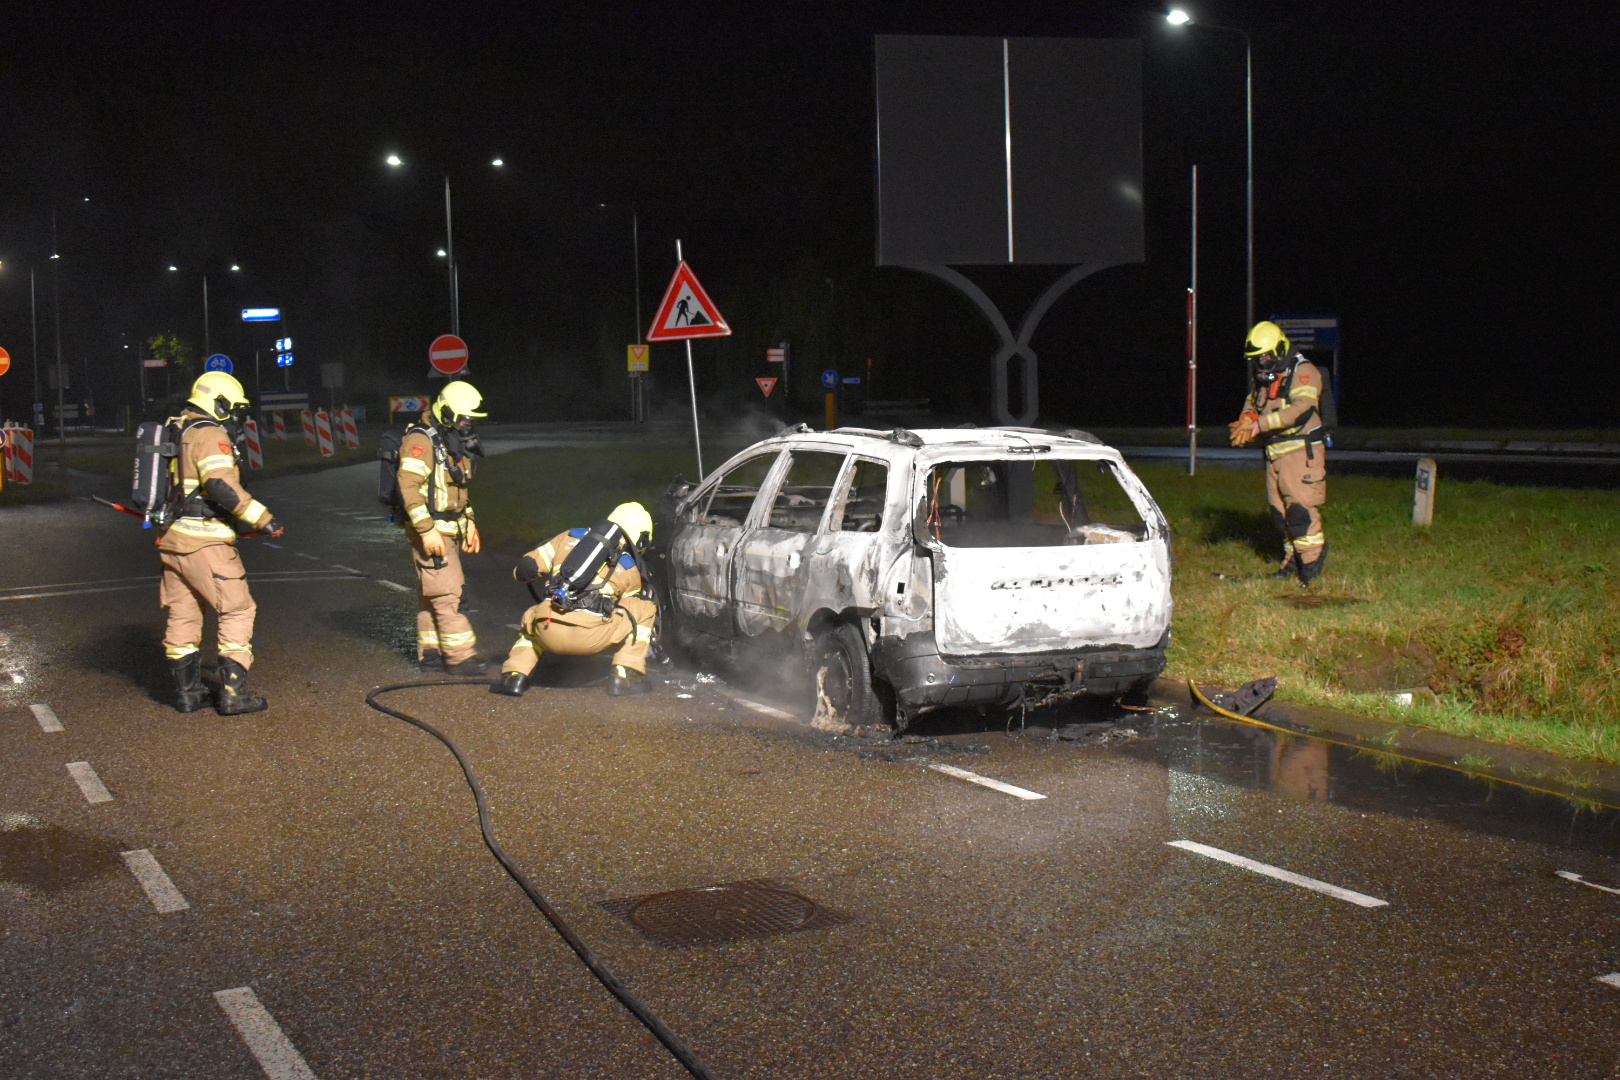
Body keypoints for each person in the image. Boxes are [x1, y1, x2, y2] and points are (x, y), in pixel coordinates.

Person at [160, 371, 284, 715]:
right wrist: (263, 518)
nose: (236, 415)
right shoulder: (211, 433)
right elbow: (219, 485)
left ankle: (188, 694)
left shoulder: (179, 429)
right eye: (234, 407)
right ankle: (233, 695)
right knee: (237, 609)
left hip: (174, 540)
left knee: (183, 615)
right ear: (219, 403)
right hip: (207, 541)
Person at [491, 502, 658, 698]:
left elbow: (523, 570)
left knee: (532, 617)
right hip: (591, 639)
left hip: (547, 628)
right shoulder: (629, 566)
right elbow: (628, 607)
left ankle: (515, 676)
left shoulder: (569, 537)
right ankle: (625, 676)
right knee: (644, 608)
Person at [397, 380, 488, 674]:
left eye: (470, 420)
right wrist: (426, 531)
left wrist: (469, 522)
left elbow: (457, 490)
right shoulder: (421, 441)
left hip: (449, 529)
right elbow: (408, 487)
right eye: (463, 418)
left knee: (432, 594)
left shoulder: (450, 440)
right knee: (449, 595)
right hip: (433, 532)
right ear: (446, 411)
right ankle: (460, 657)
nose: (467, 425)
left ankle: (431, 654)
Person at [1229, 321, 1329, 584]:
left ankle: (1310, 566)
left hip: (1300, 451)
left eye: (1265, 357)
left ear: (1279, 350)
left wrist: (1259, 425)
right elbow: (1253, 400)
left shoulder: (1304, 372)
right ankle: (1291, 564)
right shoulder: (1267, 374)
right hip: (1275, 452)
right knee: (1280, 515)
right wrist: (1247, 417)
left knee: (1300, 512)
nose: (1261, 363)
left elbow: (1301, 409)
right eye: (1257, 359)